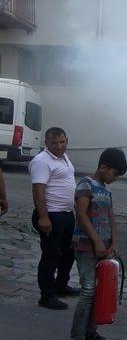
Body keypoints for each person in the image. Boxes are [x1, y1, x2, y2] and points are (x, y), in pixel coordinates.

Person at [70, 147, 127, 340]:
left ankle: (90, 334)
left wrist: (114, 242)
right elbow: (81, 214)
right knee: (87, 291)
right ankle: (77, 338)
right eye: (115, 173)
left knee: (99, 291)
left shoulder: (107, 191)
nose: (116, 178)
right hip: (86, 247)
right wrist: (96, 241)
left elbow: (111, 218)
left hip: (103, 249)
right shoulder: (86, 184)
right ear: (103, 167)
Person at [29, 127, 79, 310]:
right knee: (50, 256)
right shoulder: (41, 161)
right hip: (51, 215)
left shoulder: (64, 157)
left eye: (62, 142)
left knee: (68, 253)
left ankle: (61, 285)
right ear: (46, 143)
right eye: (54, 143)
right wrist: (43, 217)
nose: (58, 146)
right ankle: (47, 296)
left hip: (66, 214)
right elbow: (38, 191)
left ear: (67, 141)